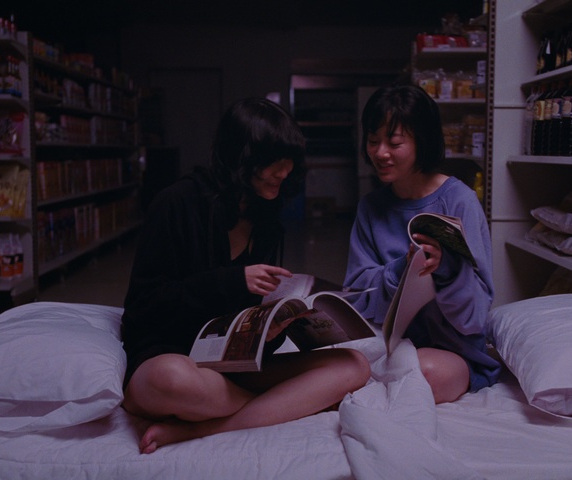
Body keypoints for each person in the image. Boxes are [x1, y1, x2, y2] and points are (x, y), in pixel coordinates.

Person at [121, 97, 371, 454]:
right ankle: (283, 405)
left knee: (353, 365)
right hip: (170, 357)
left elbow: (242, 324)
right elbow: (143, 309)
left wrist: (268, 331)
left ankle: (202, 427)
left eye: (290, 160)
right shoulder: (176, 203)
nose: (285, 171)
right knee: (172, 380)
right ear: (241, 157)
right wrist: (232, 281)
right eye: (274, 160)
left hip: (228, 363)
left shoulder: (265, 216)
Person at [344, 84, 500, 404]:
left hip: (451, 351)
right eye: (373, 141)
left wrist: (447, 270)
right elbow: (357, 298)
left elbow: (475, 317)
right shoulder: (370, 207)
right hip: (389, 344)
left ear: (422, 141)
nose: (380, 153)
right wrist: (401, 270)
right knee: (341, 364)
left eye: (394, 143)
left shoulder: (459, 201)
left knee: (421, 372)